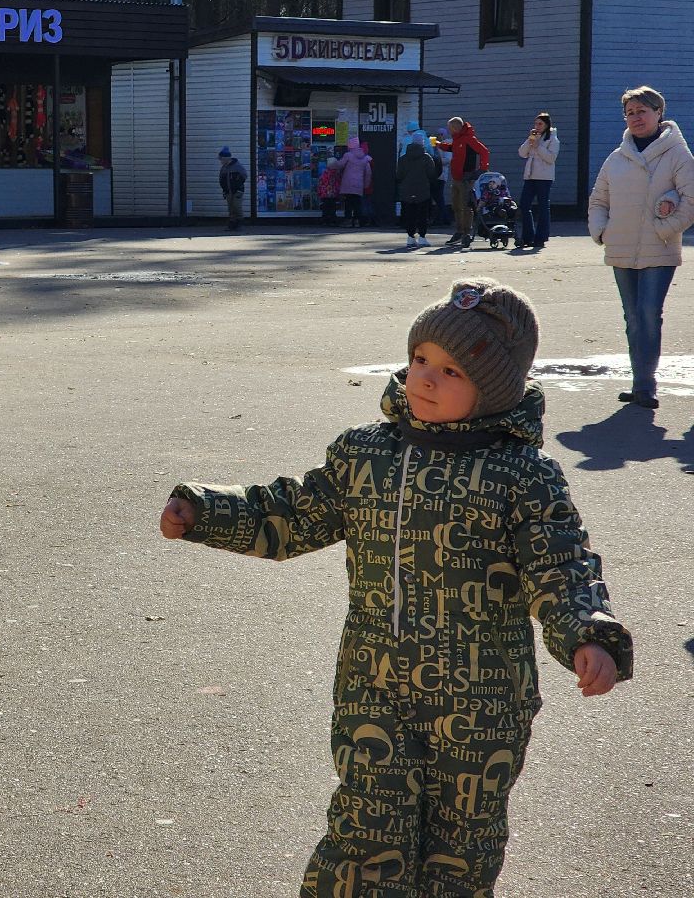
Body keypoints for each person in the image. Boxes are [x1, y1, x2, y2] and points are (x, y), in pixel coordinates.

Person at [160, 277, 633, 897]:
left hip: (482, 703)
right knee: (365, 831)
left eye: (452, 371)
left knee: (460, 848)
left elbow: (561, 566)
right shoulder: (367, 455)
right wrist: (207, 512)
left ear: (493, 391)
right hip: (374, 684)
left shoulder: (522, 476)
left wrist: (587, 636)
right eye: (419, 360)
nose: (425, 379)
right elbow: (295, 513)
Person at [588, 85, 694, 409]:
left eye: (642, 111)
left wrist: (664, 228)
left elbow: (690, 200)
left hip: (659, 251)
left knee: (649, 314)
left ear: (658, 113)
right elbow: (598, 200)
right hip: (621, 250)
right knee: (632, 317)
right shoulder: (616, 158)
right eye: (630, 112)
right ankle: (639, 383)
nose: (636, 117)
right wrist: (602, 231)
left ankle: (646, 387)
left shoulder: (678, 154)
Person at [435, 117, 490, 246]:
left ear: (455, 128)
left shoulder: (469, 139)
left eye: (450, 128)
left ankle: (466, 232)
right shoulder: (458, 139)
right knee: (456, 205)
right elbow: (452, 148)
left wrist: (482, 169)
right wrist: (439, 145)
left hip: (466, 177)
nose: (449, 131)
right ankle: (459, 231)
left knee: (466, 206)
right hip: (456, 177)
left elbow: (484, 151)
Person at [515, 112, 559, 250]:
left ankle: (541, 237)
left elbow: (551, 158)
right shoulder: (533, 138)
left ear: (547, 125)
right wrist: (530, 141)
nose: (537, 126)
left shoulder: (552, 140)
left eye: (540, 124)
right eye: (536, 123)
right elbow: (522, 153)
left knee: (542, 207)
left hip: (544, 177)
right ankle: (528, 236)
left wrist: (538, 146)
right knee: (524, 205)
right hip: (530, 176)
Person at [395, 140, 434, 248]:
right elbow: (431, 174)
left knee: (409, 214)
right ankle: (422, 237)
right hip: (423, 190)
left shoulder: (402, 159)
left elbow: (399, 175)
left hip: (407, 191)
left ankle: (410, 237)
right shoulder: (427, 158)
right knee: (422, 215)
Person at [339, 139, 370, 227]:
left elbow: (340, 165)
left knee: (348, 203)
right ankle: (357, 221)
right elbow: (368, 172)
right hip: (359, 185)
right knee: (357, 203)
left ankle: (348, 221)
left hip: (348, 184)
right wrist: (366, 184)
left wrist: (331, 163)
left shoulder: (347, 155)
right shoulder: (365, 157)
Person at [217, 147, 247, 230]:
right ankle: (232, 224)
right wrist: (224, 189)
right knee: (230, 207)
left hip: (237, 190)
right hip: (228, 191)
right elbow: (221, 179)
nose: (221, 161)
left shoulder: (237, 166)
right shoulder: (223, 168)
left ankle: (240, 222)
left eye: (221, 159)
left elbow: (244, 176)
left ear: (226, 159)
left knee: (237, 206)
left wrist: (238, 184)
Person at [316, 147, 344, 226]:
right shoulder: (337, 174)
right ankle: (332, 219)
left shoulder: (325, 173)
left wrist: (319, 192)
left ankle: (325, 219)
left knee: (325, 207)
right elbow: (338, 183)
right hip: (333, 194)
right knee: (333, 207)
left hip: (325, 194)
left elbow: (321, 183)